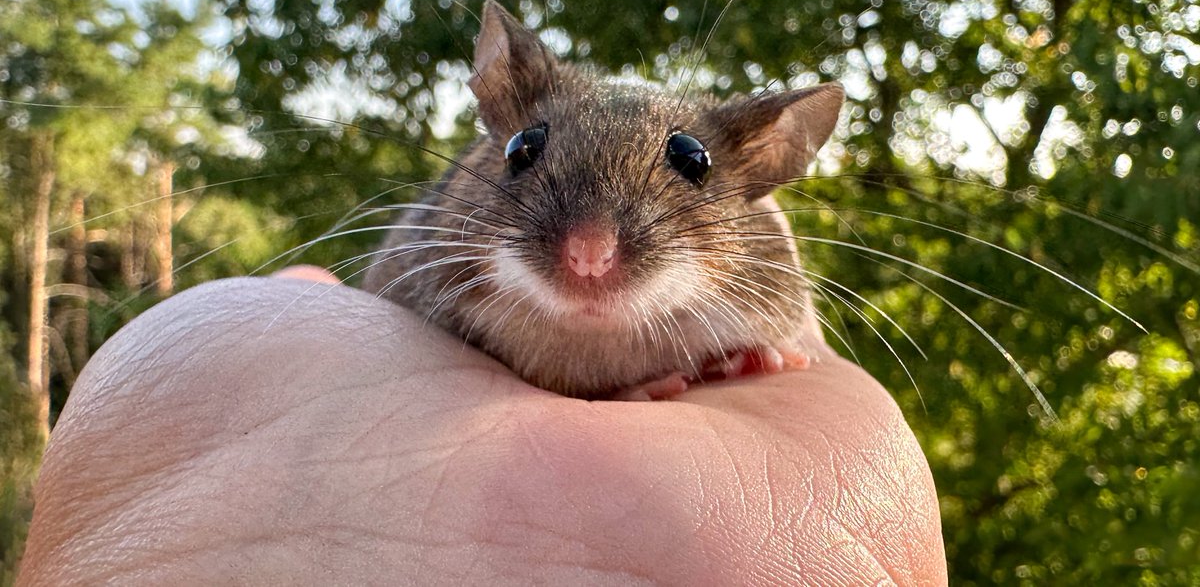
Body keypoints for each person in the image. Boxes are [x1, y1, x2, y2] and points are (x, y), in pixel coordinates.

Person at [18, 268, 947, 585]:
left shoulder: (759, 263)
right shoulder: (441, 246)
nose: (588, 255)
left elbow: (788, 323)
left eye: (688, 166)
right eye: (528, 154)